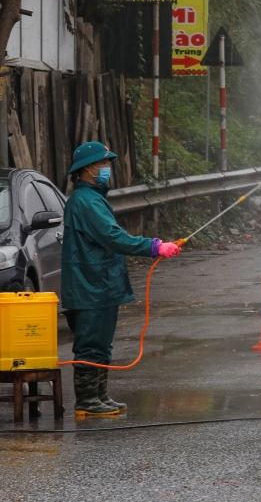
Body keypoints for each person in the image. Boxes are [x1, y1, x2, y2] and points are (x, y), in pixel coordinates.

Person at [62, 142, 181, 416]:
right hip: (90, 284)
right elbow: (112, 237)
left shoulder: (93, 198)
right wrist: (154, 247)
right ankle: (86, 401)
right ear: (87, 169)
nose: (106, 169)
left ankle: (99, 395)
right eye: (102, 164)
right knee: (91, 342)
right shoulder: (87, 201)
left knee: (102, 342)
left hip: (99, 283)